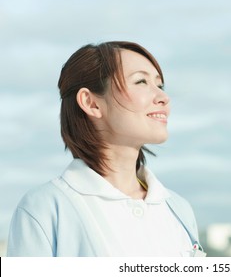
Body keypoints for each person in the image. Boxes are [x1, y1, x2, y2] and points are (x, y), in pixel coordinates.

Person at [7, 41, 204, 257]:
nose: (163, 98)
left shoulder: (177, 208)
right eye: (141, 81)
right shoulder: (44, 208)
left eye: (160, 85)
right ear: (91, 103)